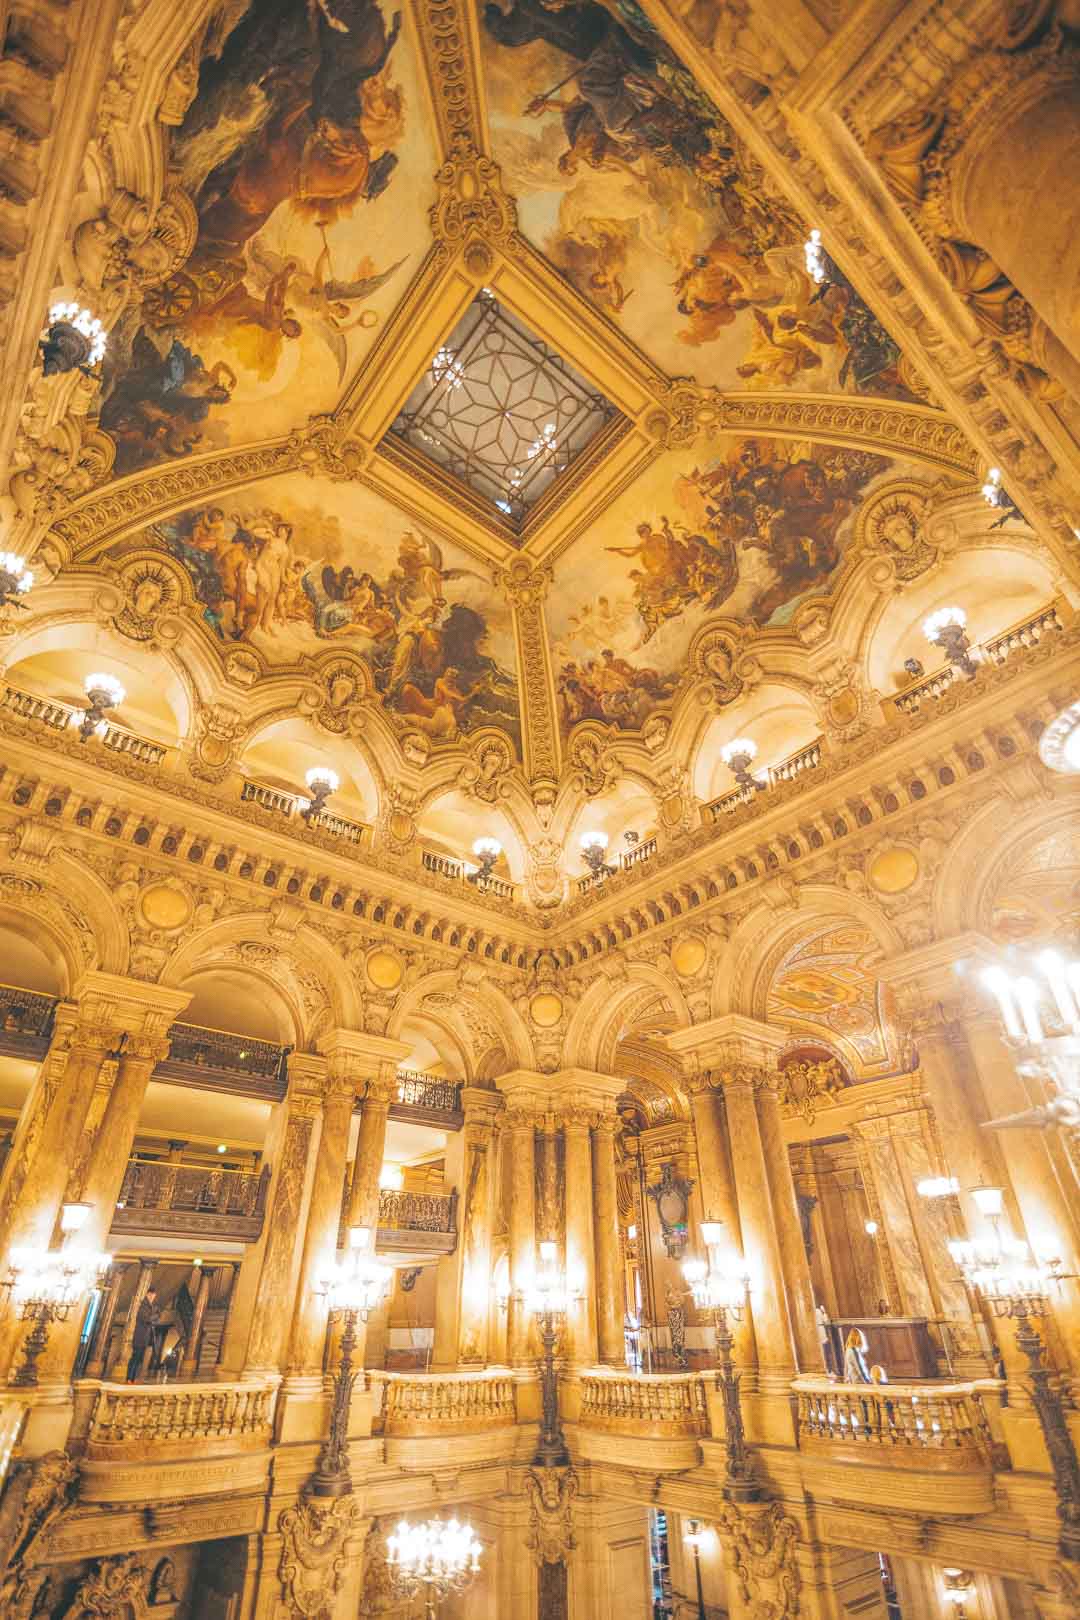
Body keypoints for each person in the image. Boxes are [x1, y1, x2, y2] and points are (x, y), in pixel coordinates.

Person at [127, 1287, 160, 1383]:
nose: (153, 1298)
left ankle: (132, 1378)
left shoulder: (150, 1306)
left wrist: (155, 1317)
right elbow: (147, 1319)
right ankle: (129, 1378)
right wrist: (155, 1316)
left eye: (154, 1297)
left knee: (139, 1359)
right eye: (152, 1296)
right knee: (135, 1358)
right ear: (148, 1294)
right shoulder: (143, 1305)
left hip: (144, 1337)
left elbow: (153, 1319)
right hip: (139, 1337)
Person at [815, 1300, 835, 1375]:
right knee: (826, 1351)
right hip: (821, 1331)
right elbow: (826, 1321)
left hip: (816, 1332)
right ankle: (829, 1369)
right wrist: (824, 1312)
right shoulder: (819, 1311)